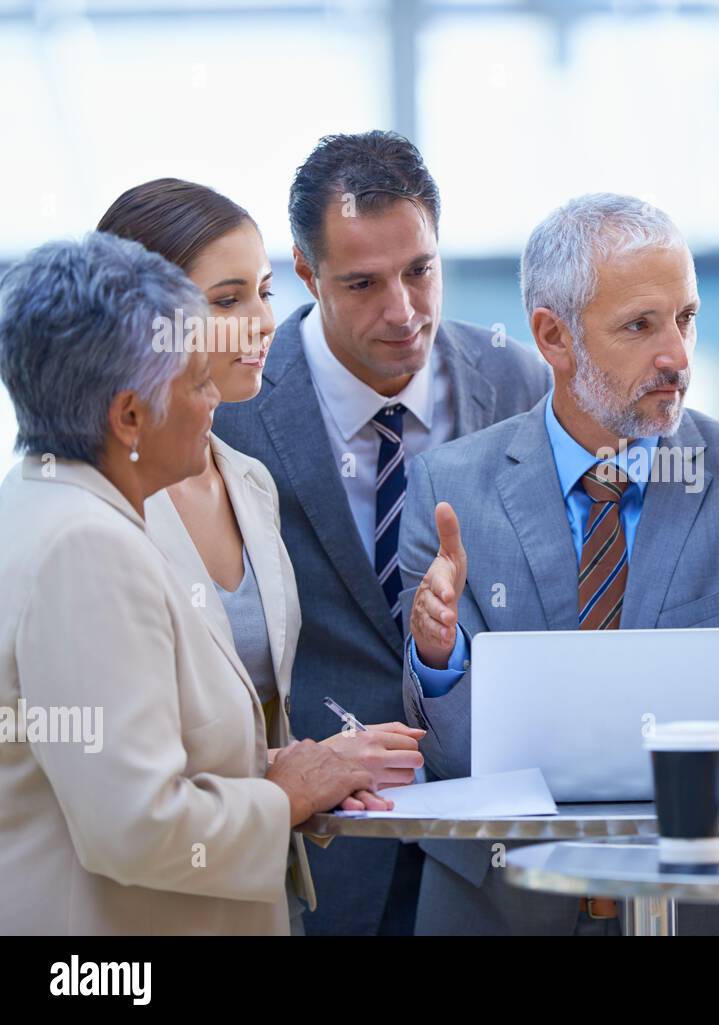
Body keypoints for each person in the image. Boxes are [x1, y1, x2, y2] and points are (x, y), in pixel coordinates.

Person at [399, 193, 719, 935]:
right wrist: (437, 653)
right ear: (553, 337)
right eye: (640, 326)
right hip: (502, 908)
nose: (678, 356)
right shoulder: (451, 488)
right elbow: (459, 762)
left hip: (714, 906)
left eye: (685, 317)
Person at [214, 131, 551, 934]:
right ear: (305, 272)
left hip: (488, 850)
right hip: (323, 853)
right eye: (363, 283)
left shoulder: (516, 381)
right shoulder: (235, 410)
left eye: (419, 271)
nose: (403, 311)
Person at [0, 233, 378, 934]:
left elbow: (104, 762)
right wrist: (281, 795)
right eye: (198, 380)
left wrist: (290, 765)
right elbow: (137, 826)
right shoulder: (88, 547)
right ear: (129, 416)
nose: (215, 403)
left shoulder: (37, 504)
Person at [97, 178, 426, 933]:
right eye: (225, 300)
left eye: (265, 292)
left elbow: (248, 730)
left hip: (252, 900)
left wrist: (323, 766)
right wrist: (289, 786)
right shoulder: (100, 509)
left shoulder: (247, 481)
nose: (262, 324)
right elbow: (125, 789)